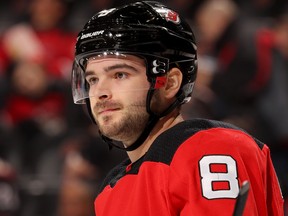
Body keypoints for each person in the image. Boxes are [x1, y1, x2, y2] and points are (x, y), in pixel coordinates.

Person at [71, 1, 284, 215]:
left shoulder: (210, 149)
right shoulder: (110, 190)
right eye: (93, 79)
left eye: (120, 75)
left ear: (170, 83)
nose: (100, 92)